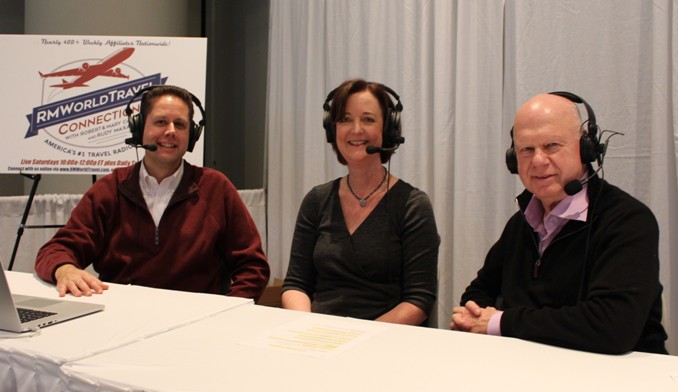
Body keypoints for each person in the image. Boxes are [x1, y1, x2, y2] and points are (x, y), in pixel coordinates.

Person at [450, 91, 667, 354]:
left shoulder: (628, 221)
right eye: (526, 150)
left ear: (586, 148)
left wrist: (499, 321)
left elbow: (612, 326)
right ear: (513, 159)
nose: (539, 161)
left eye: (552, 145)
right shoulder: (522, 223)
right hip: (531, 368)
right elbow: (479, 290)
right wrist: (475, 316)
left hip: (618, 381)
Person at [35, 85, 270, 300]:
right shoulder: (110, 189)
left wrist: (227, 313)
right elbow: (56, 250)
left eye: (180, 124)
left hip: (195, 326)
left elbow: (253, 267)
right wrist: (64, 269)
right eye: (160, 122)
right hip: (120, 320)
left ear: (192, 135)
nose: (170, 131)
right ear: (139, 129)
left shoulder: (216, 188)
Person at [281, 79, 439, 325]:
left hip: (384, 342)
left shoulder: (412, 205)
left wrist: (358, 338)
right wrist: (307, 327)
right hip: (319, 336)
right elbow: (295, 284)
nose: (355, 129)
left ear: (388, 130)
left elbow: (419, 300)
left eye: (368, 119)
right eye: (345, 119)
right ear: (331, 129)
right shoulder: (317, 200)